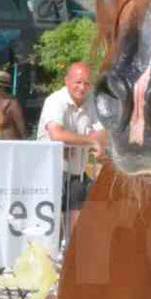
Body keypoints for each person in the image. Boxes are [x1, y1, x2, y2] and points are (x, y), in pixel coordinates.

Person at [36, 62, 106, 223]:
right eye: (78, 82)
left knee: (77, 227)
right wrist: (90, 141)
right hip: (49, 175)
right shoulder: (54, 101)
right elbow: (57, 134)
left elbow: (103, 135)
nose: (82, 87)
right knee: (52, 228)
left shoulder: (92, 101)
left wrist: (85, 142)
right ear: (67, 81)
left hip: (76, 174)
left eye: (87, 83)